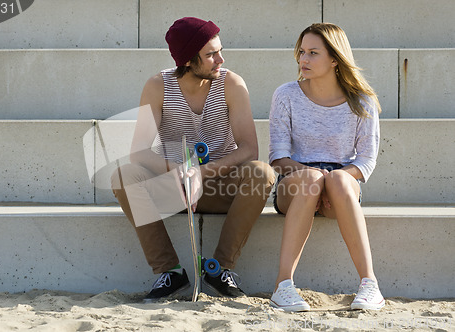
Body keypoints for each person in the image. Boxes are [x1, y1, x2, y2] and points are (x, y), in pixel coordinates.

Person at [111, 17, 275, 302]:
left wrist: (202, 173)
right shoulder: (158, 85)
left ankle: (219, 269)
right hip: (175, 189)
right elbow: (139, 150)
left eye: (219, 50)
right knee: (123, 175)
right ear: (188, 60)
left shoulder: (231, 83)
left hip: (219, 186)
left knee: (261, 173)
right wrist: (181, 173)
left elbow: (249, 149)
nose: (220, 59)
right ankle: (170, 272)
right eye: (211, 54)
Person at [268, 23, 384, 311]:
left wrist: (333, 178)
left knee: (339, 182)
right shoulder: (286, 95)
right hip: (296, 182)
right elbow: (278, 157)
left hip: (340, 187)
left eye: (313, 53)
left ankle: (370, 285)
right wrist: (312, 175)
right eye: (302, 52)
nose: (303, 60)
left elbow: (366, 160)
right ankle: (283, 286)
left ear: (335, 59)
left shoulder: (362, 101)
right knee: (310, 180)